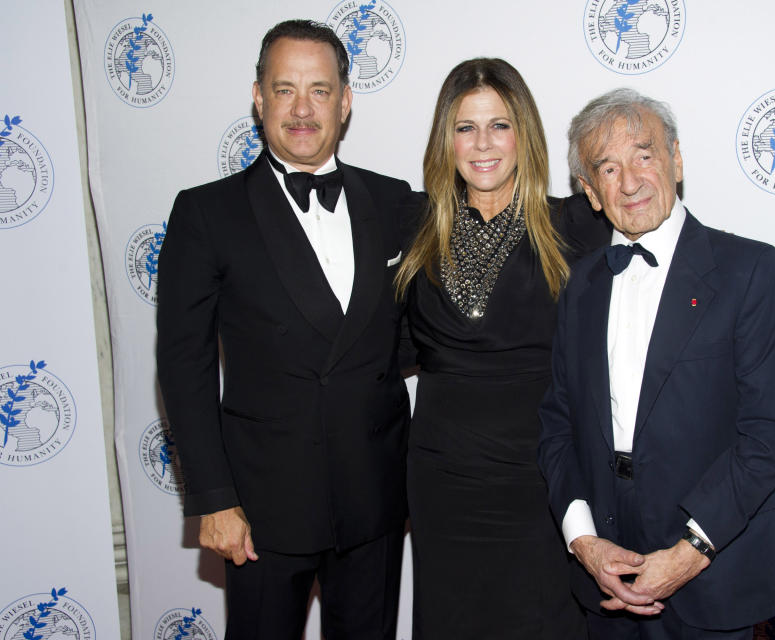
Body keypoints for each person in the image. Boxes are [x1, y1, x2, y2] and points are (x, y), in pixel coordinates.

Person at [156, 20, 415, 640]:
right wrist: (214, 499)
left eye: (320, 90)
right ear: (258, 97)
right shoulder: (206, 213)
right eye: (285, 90)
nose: (302, 109)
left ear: (345, 101)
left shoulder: (394, 201)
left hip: (372, 499)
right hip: (261, 510)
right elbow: (183, 367)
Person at [538, 88, 775, 639]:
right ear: (590, 193)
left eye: (644, 156)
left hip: (715, 572)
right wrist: (585, 542)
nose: (631, 182)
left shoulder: (750, 270)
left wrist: (690, 552)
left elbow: (773, 428)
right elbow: (557, 425)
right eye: (608, 168)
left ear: (676, 159)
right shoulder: (580, 286)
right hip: (605, 582)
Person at [394, 58, 610, 639]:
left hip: (542, 483)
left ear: (525, 135)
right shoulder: (414, 230)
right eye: (466, 127)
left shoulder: (578, 225)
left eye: (500, 125)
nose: (483, 143)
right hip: (441, 481)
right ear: (447, 139)